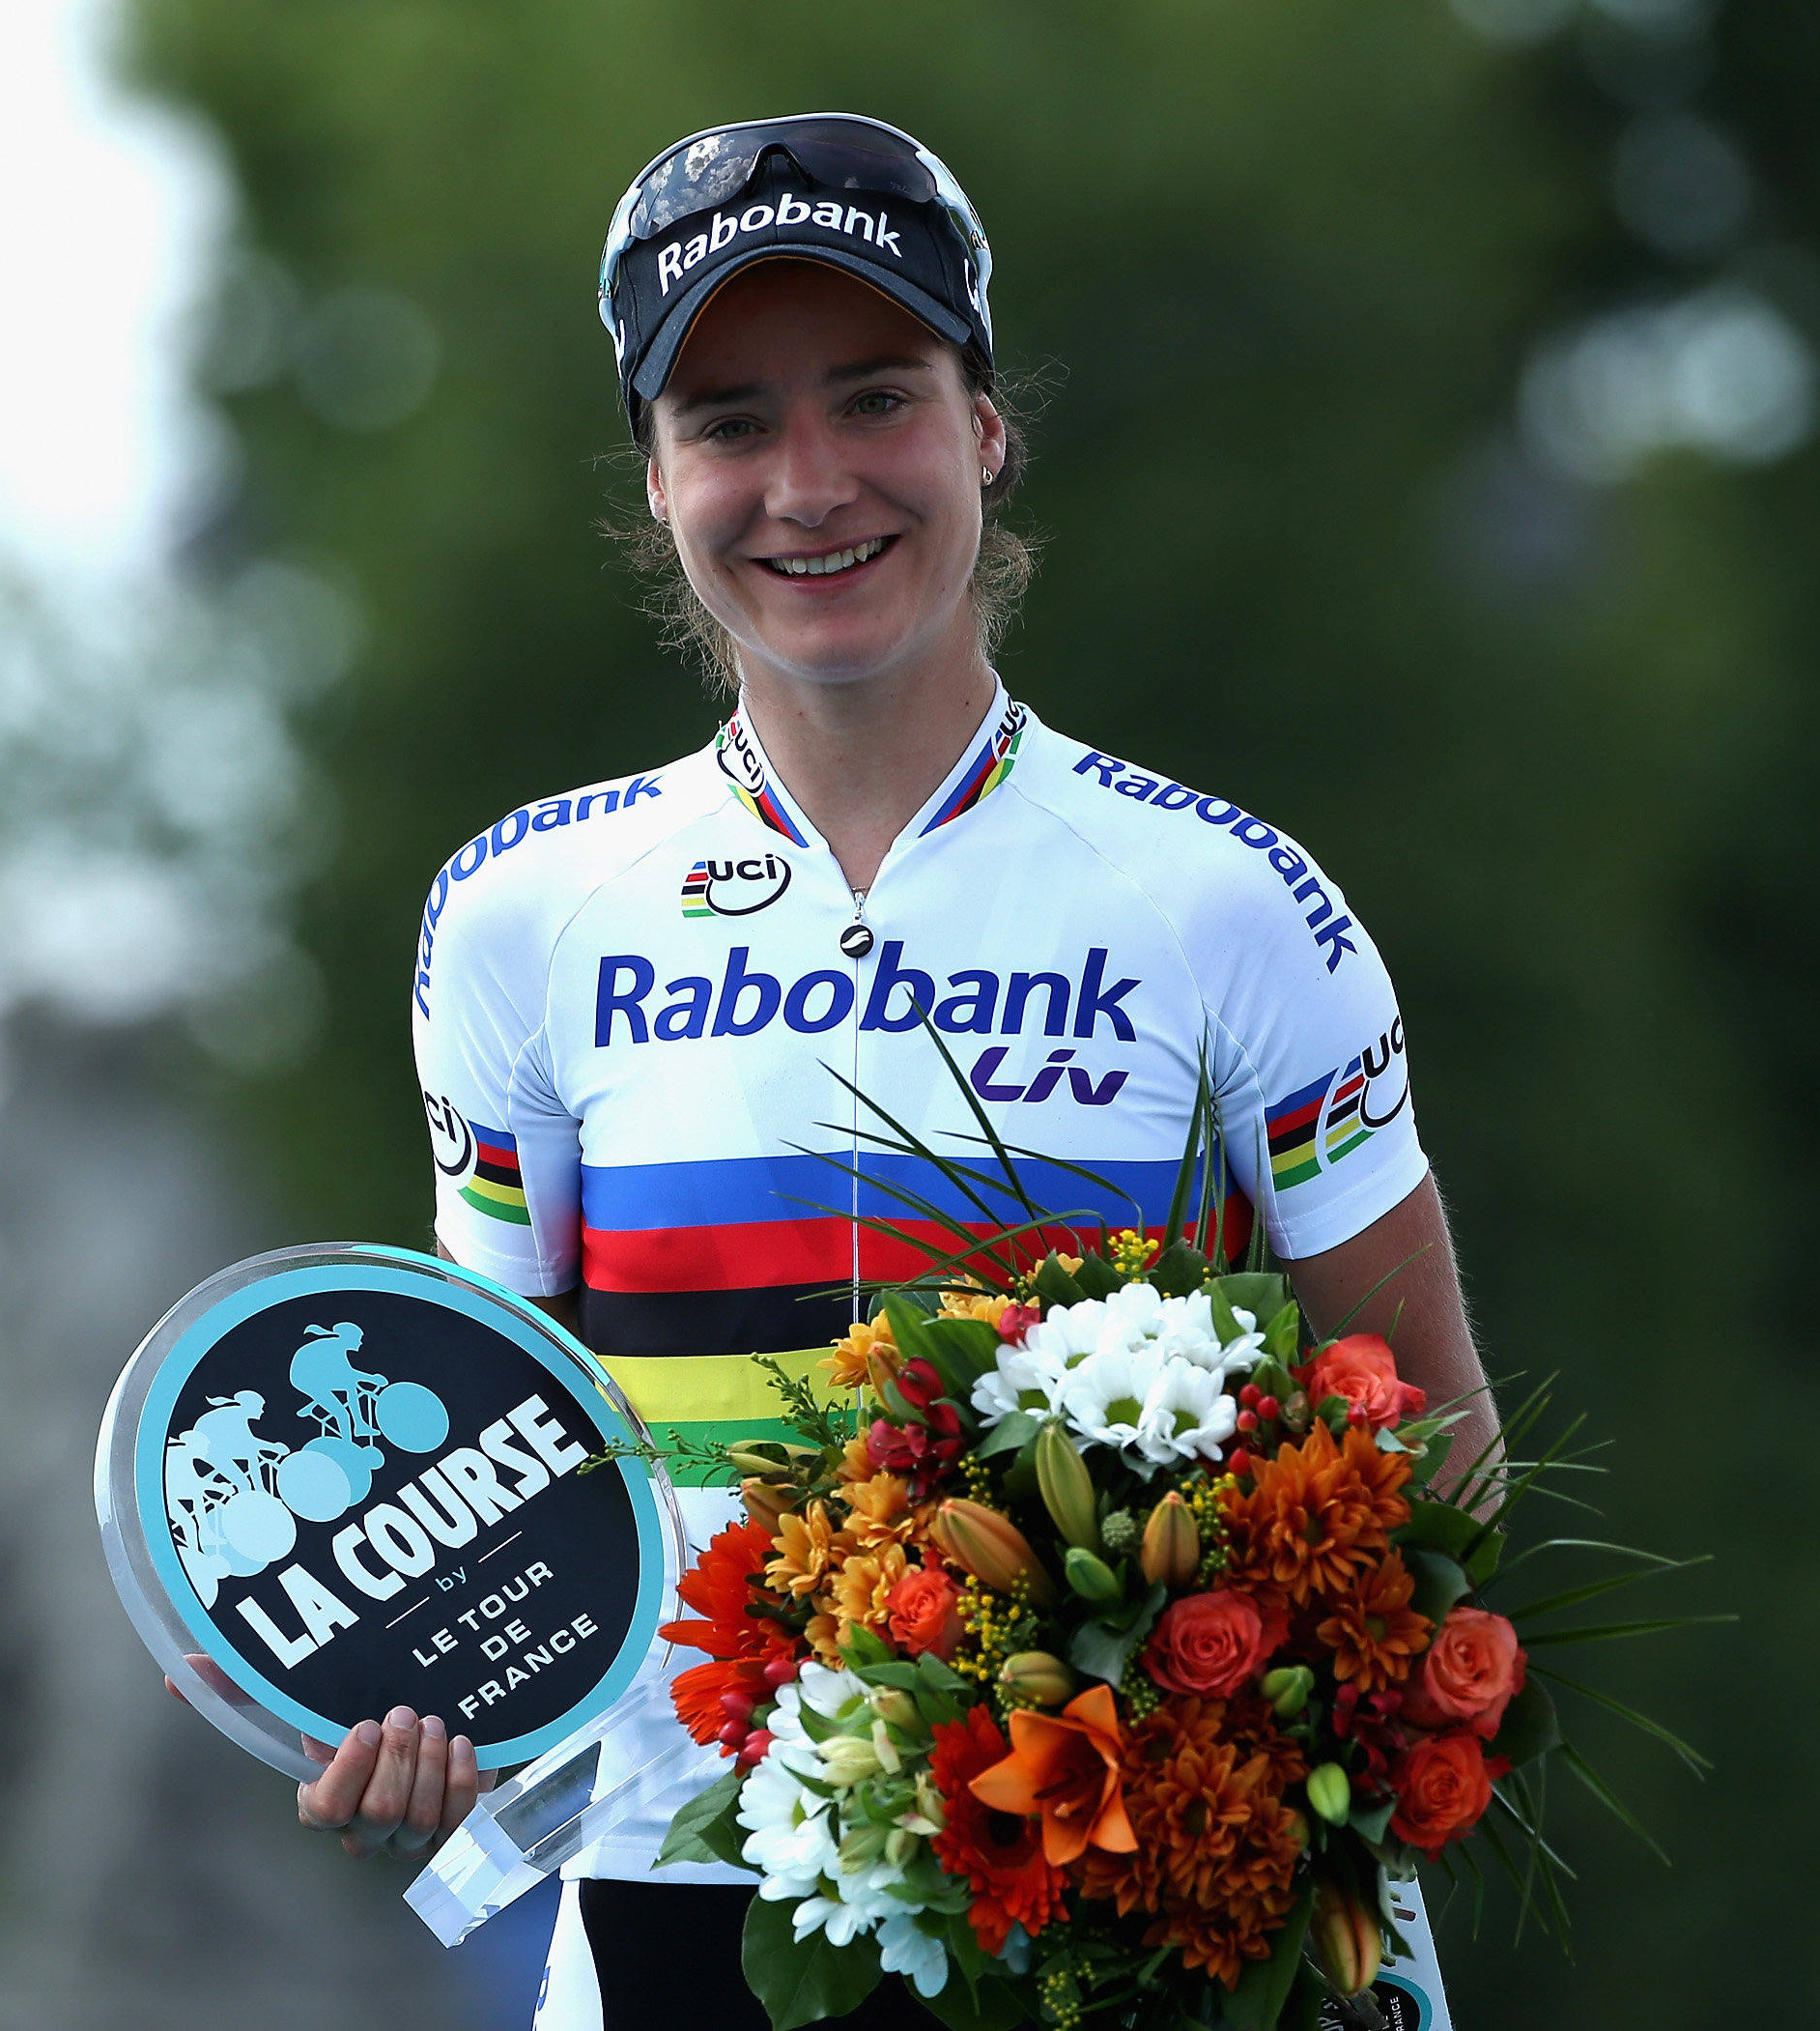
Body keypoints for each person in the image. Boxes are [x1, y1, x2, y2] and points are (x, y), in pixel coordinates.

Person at [296, 113, 1492, 2030]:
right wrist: (419, 1729)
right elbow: (494, 1479)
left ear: (986, 428)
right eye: (732, 423)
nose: (811, 484)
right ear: (658, 475)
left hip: (1153, 1912)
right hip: (693, 1897)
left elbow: (1434, 1444)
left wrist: (1238, 1738)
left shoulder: (1228, 901)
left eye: (875, 398)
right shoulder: (518, 914)